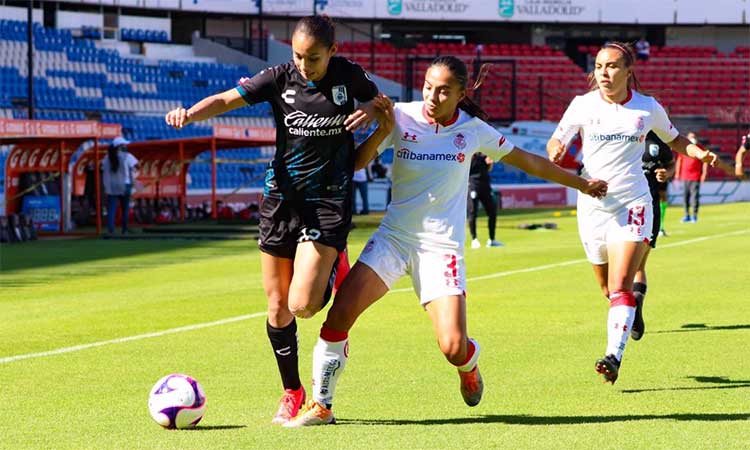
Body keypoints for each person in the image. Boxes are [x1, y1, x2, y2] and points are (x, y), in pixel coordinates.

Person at [284, 56, 608, 427]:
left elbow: (529, 162)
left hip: (441, 249)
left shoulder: (474, 130)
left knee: (454, 347)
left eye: (443, 91)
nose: (432, 97)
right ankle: (321, 405)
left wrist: (581, 182)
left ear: (460, 94)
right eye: (427, 87)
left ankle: (469, 366)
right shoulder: (401, 116)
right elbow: (356, 163)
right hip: (395, 238)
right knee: (339, 315)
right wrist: (382, 127)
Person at [164, 15, 381, 425]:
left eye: (313, 58)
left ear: (332, 52)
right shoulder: (279, 78)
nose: (304, 65)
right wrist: (190, 114)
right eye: (298, 56)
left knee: (303, 305)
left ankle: (335, 263)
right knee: (278, 305)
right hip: (280, 200)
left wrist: (369, 111)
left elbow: (378, 103)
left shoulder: (349, 76)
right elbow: (227, 99)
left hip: (327, 202)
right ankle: (292, 391)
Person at [546, 42, 719, 385]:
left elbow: (675, 139)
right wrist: (556, 150)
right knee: (608, 291)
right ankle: (631, 309)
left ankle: (613, 355)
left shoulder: (646, 108)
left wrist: (696, 152)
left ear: (628, 71)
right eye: (598, 67)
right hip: (592, 205)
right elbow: (557, 139)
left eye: (611, 66)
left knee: (621, 283)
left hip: (633, 203)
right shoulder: (582, 105)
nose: (604, 73)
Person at [630, 131, 676, 341]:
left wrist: (666, 173)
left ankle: (629, 308)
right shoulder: (618, 133)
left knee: (629, 266)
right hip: (622, 206)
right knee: (636, 266)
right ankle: (634, 301)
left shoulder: (659, 140)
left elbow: (670, 164)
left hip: (647, 207)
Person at [101, 136, 138, 235]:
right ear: (120, 146)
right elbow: (136, 166)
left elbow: (103, 168)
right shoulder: (127, 156)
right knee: (125, 209)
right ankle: (124, 230)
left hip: (112, 185)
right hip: (125, 184)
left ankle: (111, 230)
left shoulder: (107, 157)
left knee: (112, 209)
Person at [468, 152, 502, 248]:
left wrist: (490, 163)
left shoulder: (485, 156)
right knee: (472, 213)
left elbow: (489, 169)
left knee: (492, 212)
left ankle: (492, 239)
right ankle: (474, 239)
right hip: (473, 186)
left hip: (485, 187)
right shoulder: (469, 155)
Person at [675, 132, 708, 223]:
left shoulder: (700, 148)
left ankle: (694, 215)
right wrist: (677, 174)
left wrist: (704, 173)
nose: (692, 139)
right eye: (690, 137)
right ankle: (686, 215)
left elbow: (705, 160)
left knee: (695, 197)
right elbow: (679, 160)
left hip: (695, 176)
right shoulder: (684, 147)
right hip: (685, 176)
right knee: (685, 197)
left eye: (693, 137)